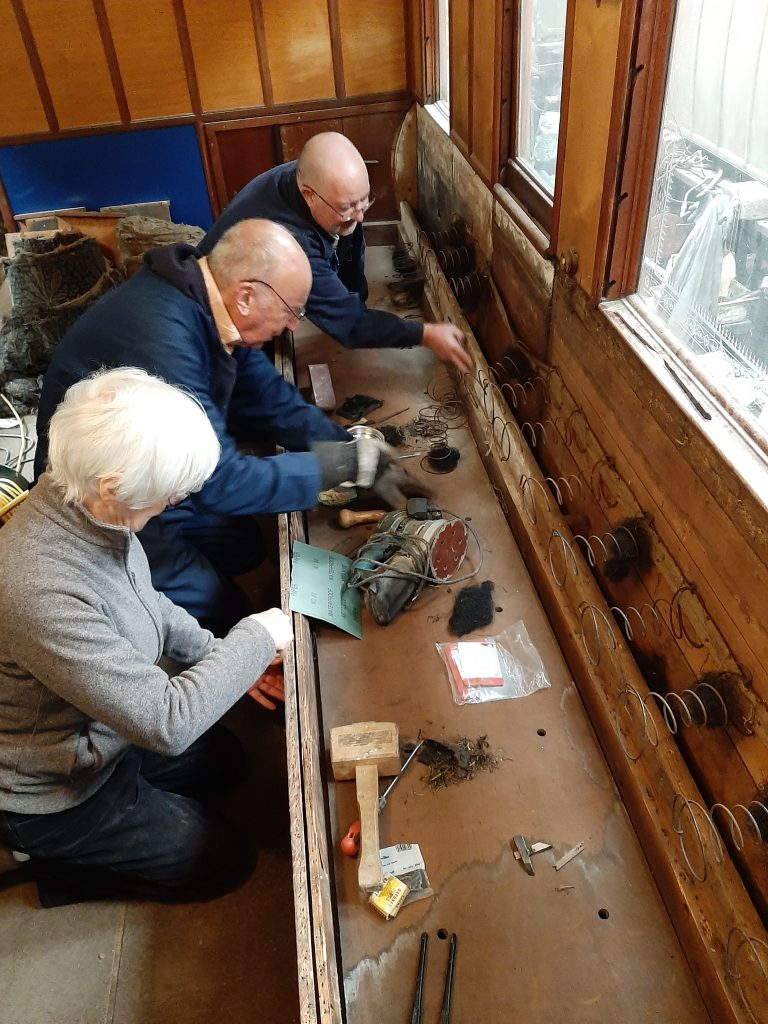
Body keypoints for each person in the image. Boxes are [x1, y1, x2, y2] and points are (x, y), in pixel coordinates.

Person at [35, 218, 427, 635]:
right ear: (245, 297)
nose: (294, 325)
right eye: (291, 311)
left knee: (246, 548)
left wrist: (349, 449)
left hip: (164, 479)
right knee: (223, 608)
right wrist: (340, 465)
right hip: (114, 500)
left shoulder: (205, 302)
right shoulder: (166, 343)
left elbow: (268, 400)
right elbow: (220, 480)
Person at [0, 368, 294, 908]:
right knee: (223, 861)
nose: (177, 500)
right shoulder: (36, 588)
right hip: (57, 789)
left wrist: (217, 653)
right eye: (171, 493)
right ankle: (52, 865)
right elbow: (166, 723)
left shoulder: (91, 509)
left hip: (103, 735)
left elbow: (146, 600)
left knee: (226, 760)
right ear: (113, 486)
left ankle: (130, 814)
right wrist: (255, 637)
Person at [198, 132, 473, 373]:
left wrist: (356, 301)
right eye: (347, 207)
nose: (359, 215)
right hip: (215, 325)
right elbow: (350, 327)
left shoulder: (323, 185)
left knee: (349, 222)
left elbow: (351, 238)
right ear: (309, 196)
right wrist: (425, 333)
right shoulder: (293, 248)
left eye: (364, 202)